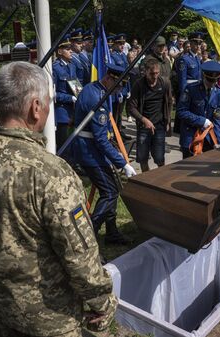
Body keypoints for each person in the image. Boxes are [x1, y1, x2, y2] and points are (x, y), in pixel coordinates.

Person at [0, 61, 116, 337]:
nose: (49, 109)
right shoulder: (52, 172)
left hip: (0, 302)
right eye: (48, 102)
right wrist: (102, 301)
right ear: (35, 107)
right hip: (50, 316)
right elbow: (80, 256)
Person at [72, 63, 136, 244]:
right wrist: (122, 163)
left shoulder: (96, 90)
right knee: (109, 192)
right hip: (89, 153)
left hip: (92, 150)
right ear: (109, 78)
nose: (120, 90)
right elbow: (100, 139)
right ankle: (89, 235)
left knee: (112, 188)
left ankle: (112, 232)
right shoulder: (97, 98)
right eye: (119, 85)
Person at [128, 58, 172, 171]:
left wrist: (168, 121)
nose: (155, 76)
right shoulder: (139, 85)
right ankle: (145, 180)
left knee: (159, 158)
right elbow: (131, 108)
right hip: (144, 127)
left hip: (159, 125)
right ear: (145, 72)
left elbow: (169, 102)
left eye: (157, 73)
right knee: (142, 158)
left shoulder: (165, 83)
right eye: (152, 74)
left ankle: (159, 181)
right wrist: (143, 120)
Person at [176, 61, 220, 158]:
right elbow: (181, 111)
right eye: (209, 80)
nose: (212, 83)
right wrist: (202, 121)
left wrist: (218, 141)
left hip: (209, 139)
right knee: (187, 169)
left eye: (214, 81)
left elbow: (217, 118)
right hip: (190, 137)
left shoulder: (219, 92)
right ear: (204, 76)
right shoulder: (191, 89)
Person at [53, 35, 78, 151]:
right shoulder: (55, 68)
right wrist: (70, 98)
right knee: (63, 145)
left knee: (72, 143)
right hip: (62, 112)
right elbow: (53, 94)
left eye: (70, 48)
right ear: (60, 51)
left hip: (72, 111)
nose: (71, 51)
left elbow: (75, 84)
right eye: (68, 49)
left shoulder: (72, 66)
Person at [110, 34, 131, 140]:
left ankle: (119, 132)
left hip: (123, 89)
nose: (122, 45)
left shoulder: (123, 55)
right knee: (114, 113)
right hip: (116, 90)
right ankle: (114, 134)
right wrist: (118, 91)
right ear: (114, 44)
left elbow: (127, 74)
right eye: (119, 43)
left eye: (123, 43)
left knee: (119, 113)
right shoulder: (112, 56)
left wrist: (128, 89)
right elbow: (114, 75)